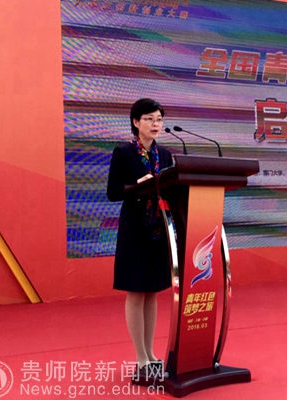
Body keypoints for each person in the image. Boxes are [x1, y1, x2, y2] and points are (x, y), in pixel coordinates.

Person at [106, 98, 173, 375]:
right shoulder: (124, 152)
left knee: (152, 292)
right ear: (136, 122)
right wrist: (136, 186)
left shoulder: (165, 155)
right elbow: (113, 192)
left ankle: (151, 352)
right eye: (149, 119)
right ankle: (140, 356)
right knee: (136, 291)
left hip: (158, 230)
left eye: (159, 119)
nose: (155, 124)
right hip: (135, 231)